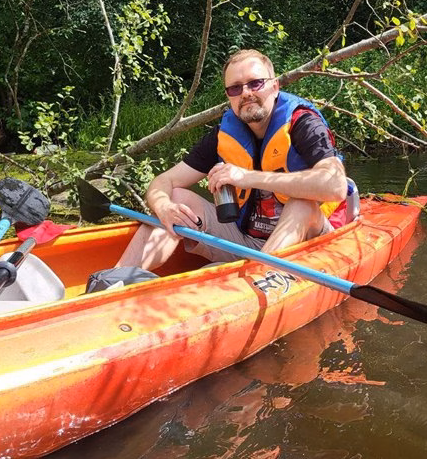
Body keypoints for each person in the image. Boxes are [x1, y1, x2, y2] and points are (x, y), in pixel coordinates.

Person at [91, 49, 347, 289]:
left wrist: (249, 178)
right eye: (235, 88)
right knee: (175, 197)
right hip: (244, 239)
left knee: (301, 203)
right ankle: (113, 284)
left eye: (255, 83)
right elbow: (163, 182)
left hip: (304, 241)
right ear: (229, 96)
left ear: (274, 85)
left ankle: (254, 281)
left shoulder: (303, 124)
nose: (245, 92)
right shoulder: (224, 135)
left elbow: (335, 186)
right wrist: (164, 208)